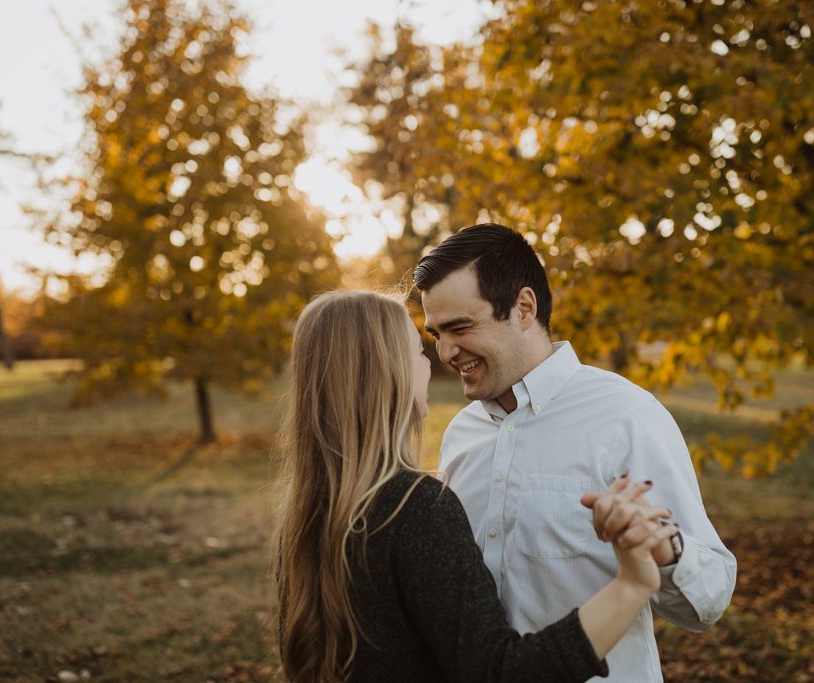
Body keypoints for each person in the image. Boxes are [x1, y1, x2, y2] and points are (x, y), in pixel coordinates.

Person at [273, 290, 681, 682]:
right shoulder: (414, 508)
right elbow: (501, 673)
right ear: (385, 372)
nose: (434, 362)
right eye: (419, 350)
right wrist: (631, 585)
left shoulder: (305, 516)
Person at [415, 224, 738, 682]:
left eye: (460, 327)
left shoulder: (627, 416)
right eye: (435, 334)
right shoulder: (461, 433)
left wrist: (663, 549)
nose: (446, 351)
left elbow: (708, 602)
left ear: (524, 308)